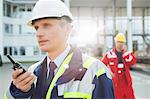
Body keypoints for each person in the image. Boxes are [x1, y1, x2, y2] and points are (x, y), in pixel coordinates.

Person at [5, 0, 114, 99]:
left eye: (46, 25)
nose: (39, 33)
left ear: (67, 29)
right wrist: (19, 93)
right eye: (36, 27)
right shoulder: (32, 72)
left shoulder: (95, 70)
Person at [101, 33, 136, 99]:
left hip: (126, 82)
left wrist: (125, 53)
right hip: (115, 83)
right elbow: (101, 65)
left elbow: (132, 63)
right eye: (118, 42)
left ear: (124, 43)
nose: (120, 44)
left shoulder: (127, 54)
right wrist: (109, 72)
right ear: (115, 42)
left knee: (130, 97)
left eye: (122, 42)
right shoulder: (109, 54)